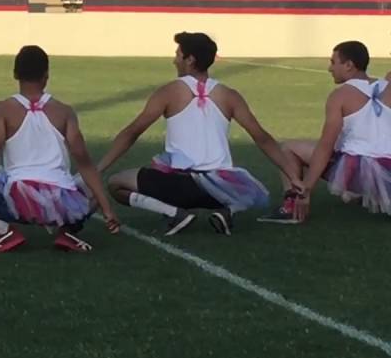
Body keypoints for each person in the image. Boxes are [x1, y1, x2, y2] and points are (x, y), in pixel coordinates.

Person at [96, 32, 299, 236]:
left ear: (190, 60)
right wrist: (293, 177)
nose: (174, 60)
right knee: (243, 188)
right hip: (221, 188)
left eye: (178, 54)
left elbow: (132, 132)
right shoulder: (229, 95)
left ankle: (175, 213)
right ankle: (228, 210)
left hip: (181, 186)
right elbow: (262, 137)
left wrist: (100, 168)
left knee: (117, 184)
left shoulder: (169, 91)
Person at [0, 46, 119, 252]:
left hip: (17, 200)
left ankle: (3, 230)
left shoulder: (2, 109)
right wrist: (107, 208)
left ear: (15, 74)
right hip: (61, 203)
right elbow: (85, 165)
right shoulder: (65, 112)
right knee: (94, 191)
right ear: (46, 75)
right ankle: (68, 232)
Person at [260, 41, 391, 223]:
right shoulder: (387, 85)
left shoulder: (340, 96)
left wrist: (307, 189)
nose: (330, 68)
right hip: (388, 170)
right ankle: (365, 194)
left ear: (348, 65)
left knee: (289, 148)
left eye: (333, 62)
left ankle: (291, 206)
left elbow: (325, 146)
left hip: (357, 170)